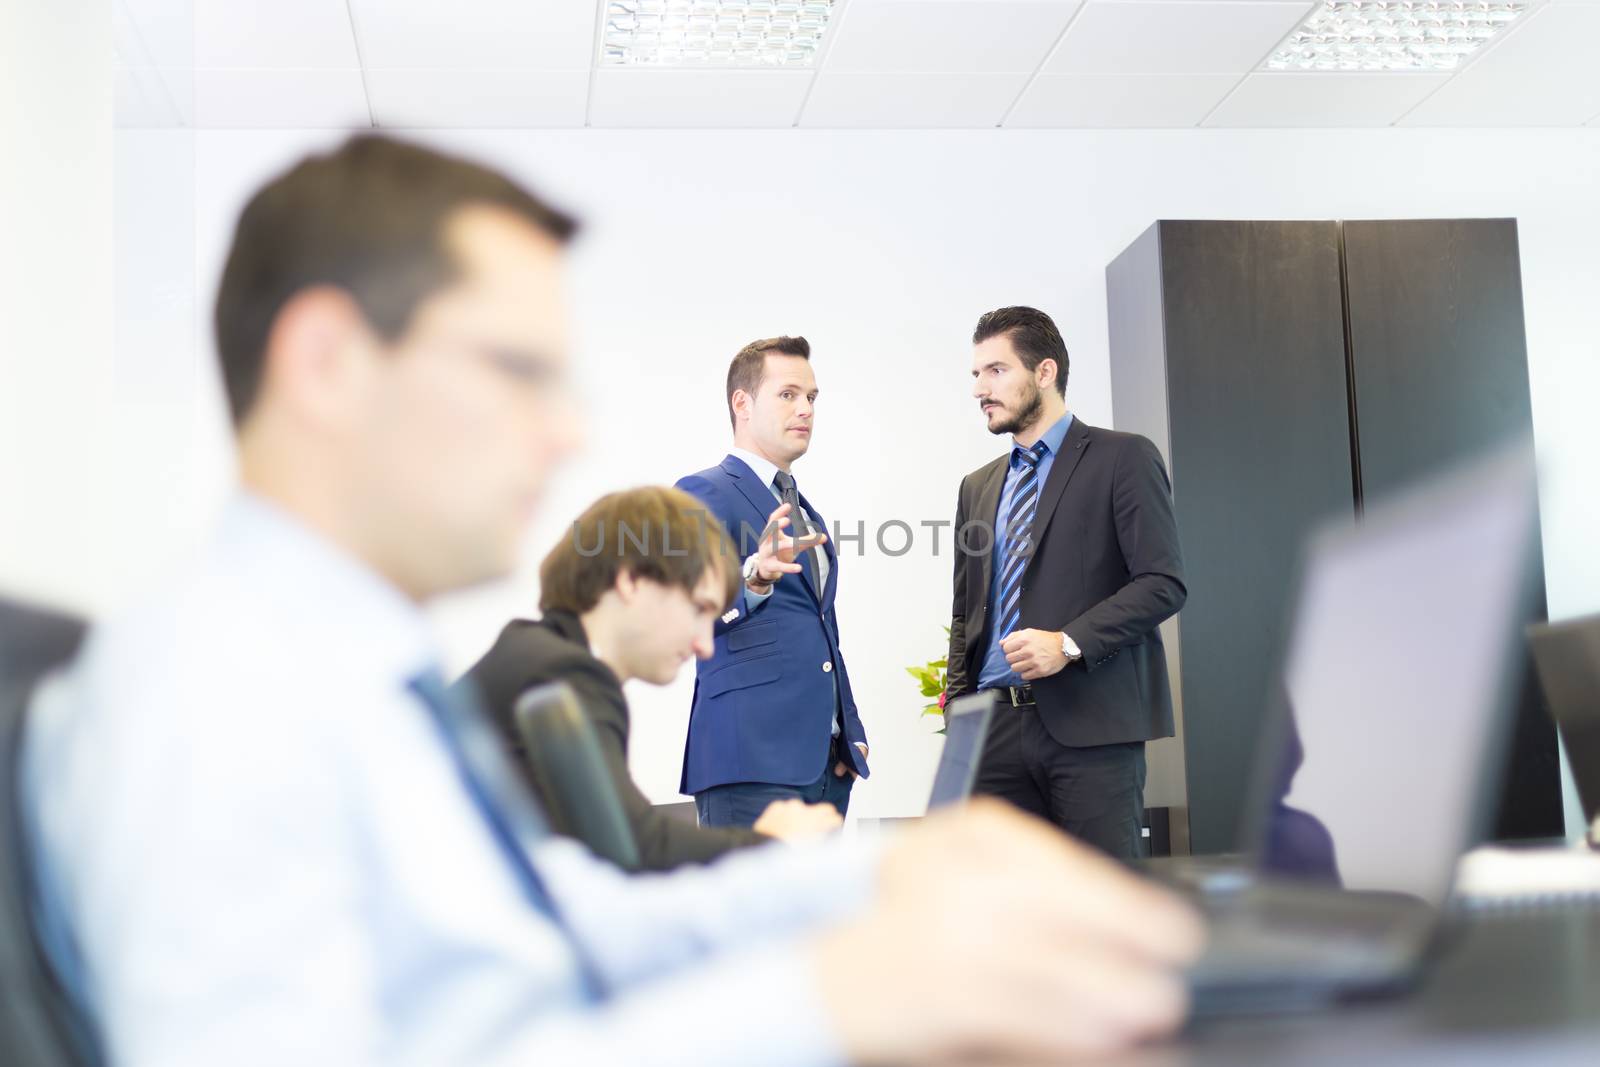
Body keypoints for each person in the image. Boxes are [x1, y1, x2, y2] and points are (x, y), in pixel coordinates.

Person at [22, 135, 1203, 1066]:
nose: (569, 427)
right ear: (329, 361)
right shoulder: (214, 708)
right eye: (515, 368)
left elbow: (560, 916)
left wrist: (869, 877)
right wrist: (840, 996)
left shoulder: (348, 673)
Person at [463, 485, 842, 871]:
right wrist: (773, 843)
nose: (704, 643)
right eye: (698, 608)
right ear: (631, 581)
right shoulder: (562, 673)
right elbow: (633, 846)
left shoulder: (538, 655)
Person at [946, 306, 1187, 860]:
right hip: (993, 733)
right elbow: (966, 612)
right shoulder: (976, 487)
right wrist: (961, 717)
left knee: (1103, 907)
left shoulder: (1123, 458)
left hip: (1092, 728)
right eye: (976, 375)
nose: (981, 388)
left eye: (996, 371)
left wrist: (1068, 644)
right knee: (1006, 913)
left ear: (1045, 372)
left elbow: (1162, 581)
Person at [675, 337, 869, 828]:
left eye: (812, 397)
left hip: (826, 768)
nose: (805, 409)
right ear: (742, 403)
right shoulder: (701, 493)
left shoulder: (804, 510)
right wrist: (754, 578)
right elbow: (683, 618)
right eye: (788, 395)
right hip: (749, 765)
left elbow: (822, 628)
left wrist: (848, 729)